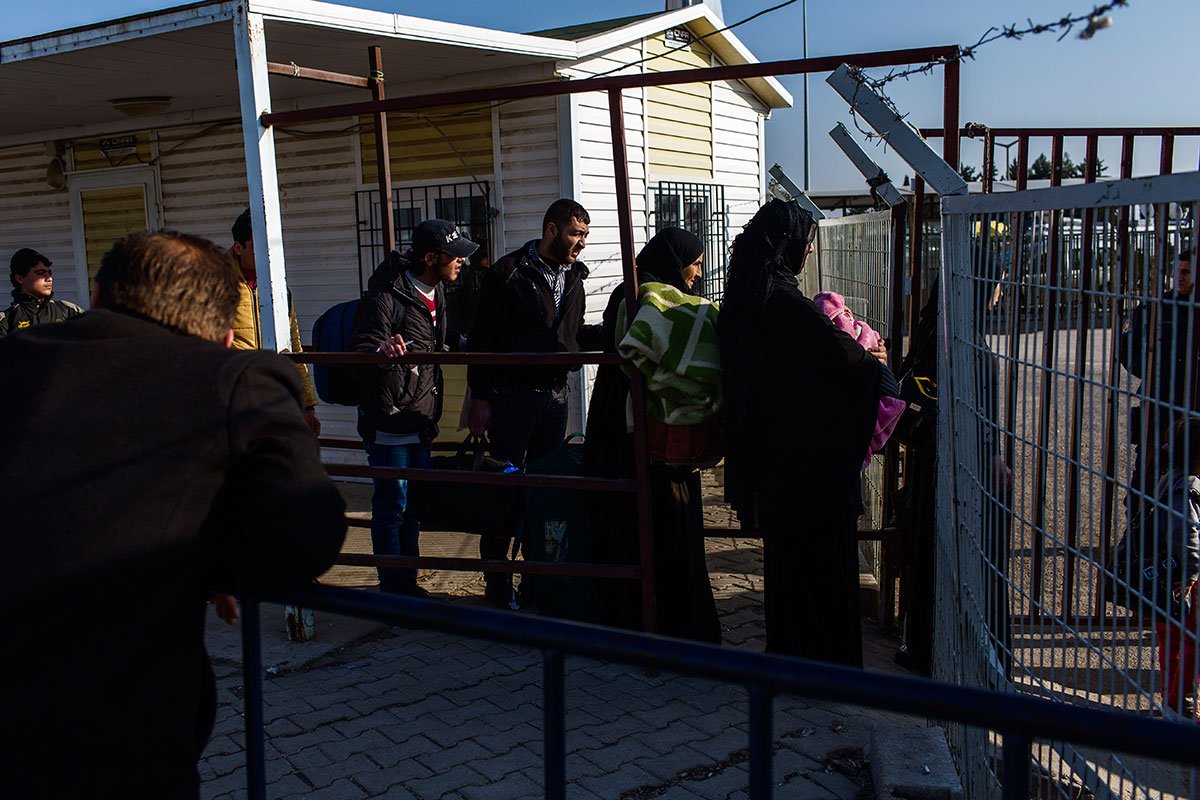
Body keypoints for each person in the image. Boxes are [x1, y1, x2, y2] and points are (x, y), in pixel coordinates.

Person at [0, 230, 347, 797]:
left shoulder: (14, 359)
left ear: (96, 297)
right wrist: (199, 560)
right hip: (113, 735)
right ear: (226, 334)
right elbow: (306, 536)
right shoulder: (236, 379)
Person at [717, 199, 896, 665]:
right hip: (813, 467)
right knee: (822, 571)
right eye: (807, 241)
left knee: (786, 568)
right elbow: (850, 364)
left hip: (772, 461)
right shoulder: (787, 305)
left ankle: (790, 657)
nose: (811, 250)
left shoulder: (745, 299)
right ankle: (824, 667)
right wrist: (875, 362)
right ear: (788, 244)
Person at [583, 227, 720, 642]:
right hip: (641, 436)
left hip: (627, 431)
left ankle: (638, 621)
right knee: (655, 529)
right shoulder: (643, 295)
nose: (698, 273)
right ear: (675, 262)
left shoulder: (641, 290)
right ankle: (661, 624)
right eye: (695, 263)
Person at [466, 198, 601, 607]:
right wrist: (481, 397)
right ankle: (497, 584)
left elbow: (573, 333)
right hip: (511, 397)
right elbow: (482, 339)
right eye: (576, 234)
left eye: (585, 235)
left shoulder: (575, 277)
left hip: (555, 397)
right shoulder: (507, 273)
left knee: (546, 491)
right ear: (551, 230)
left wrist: (616, 333)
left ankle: (538, 581)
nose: (582, 243)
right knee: (505, 488)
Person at [351, 219, 478, 598]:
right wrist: (381, 350)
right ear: (430, 258)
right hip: (389, 419)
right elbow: (361, 349)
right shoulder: (386, 296)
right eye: (454, 255)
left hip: (421, 417)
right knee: (392, 507)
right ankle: (394, 591)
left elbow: (435, 342)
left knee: (413, 507)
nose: (461, 261)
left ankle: (407, 582)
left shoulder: (437, 293)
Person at [1120, 248, 1198, 520]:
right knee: (1148, 472)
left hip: (1193, 408)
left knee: (1192, 476)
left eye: (1187, 272)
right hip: (1159, 404)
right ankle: (1137, 530)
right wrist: (1155, 372)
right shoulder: (1155, 307)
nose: (1180, 277)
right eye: (1178, 270)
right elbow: (1127, 349)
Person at [228, 208, 321, 434]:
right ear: (238, 248)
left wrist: (307, 404)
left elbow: (293, 345)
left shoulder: (279, 287)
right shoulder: (212, 285)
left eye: (270, 245)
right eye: (258, 246)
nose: (267, 253)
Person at [1149, 418, 1200, 719]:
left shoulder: (1168, 478)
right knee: (1192, 641)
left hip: (1166, 574)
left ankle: (1171, 698)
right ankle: (1182, 703)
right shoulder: (1190, 486)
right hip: (1185, 577)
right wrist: (1191, 573)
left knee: (1169, 638)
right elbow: (1187, 533)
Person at [0, 247, 83, 336]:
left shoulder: (67, 310)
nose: (49, 278)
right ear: (20, 278)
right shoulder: (6, 321)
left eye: (49, 273)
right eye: (41, 273)